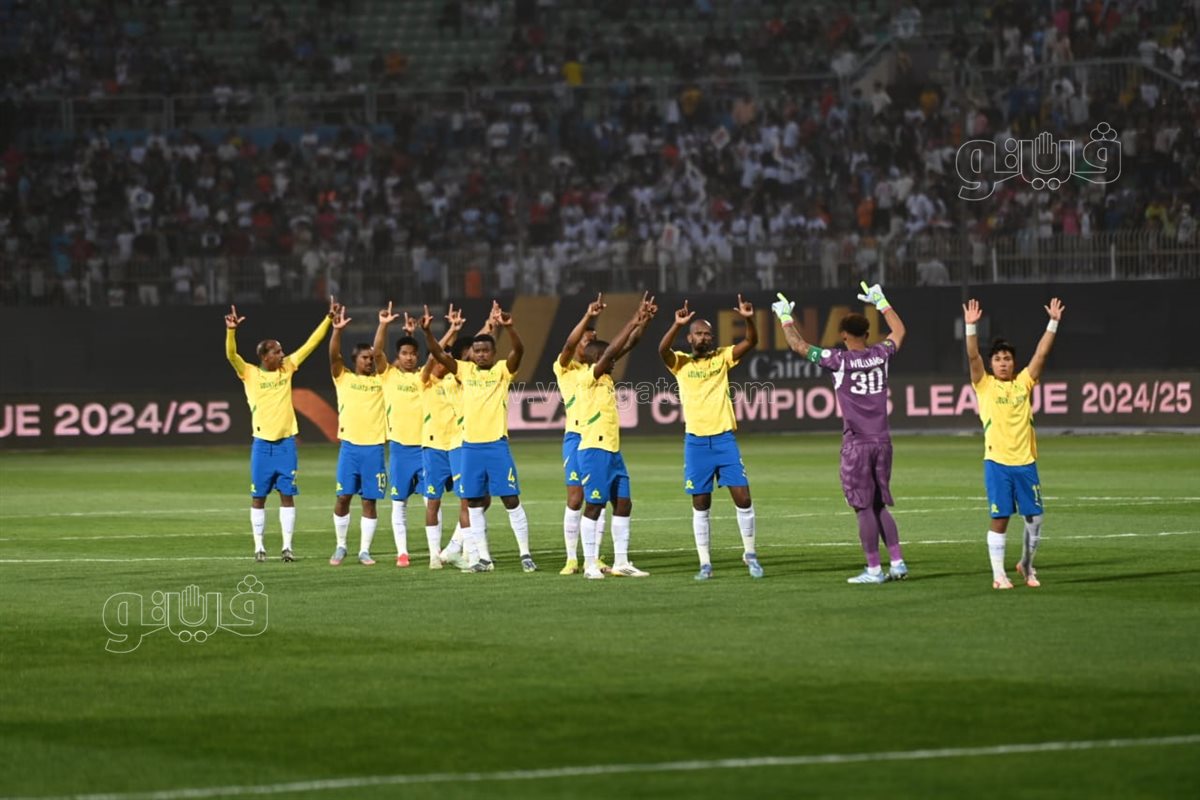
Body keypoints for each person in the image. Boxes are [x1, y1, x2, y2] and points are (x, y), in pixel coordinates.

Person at [773, 284, 910, 584]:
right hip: (883, 441)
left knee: (863, 507)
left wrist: (785, 317)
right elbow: (899, 331)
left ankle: (874, 570)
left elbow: (798, 346)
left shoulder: (839, 361)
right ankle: (898, 563)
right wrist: (882, 301)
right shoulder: (881, 354)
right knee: (879, 505)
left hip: (857, 443)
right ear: (867, 334)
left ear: (844, 335)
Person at [422, 301, 535, 573]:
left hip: (496, 445)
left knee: (510, 499)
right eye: (478, 351)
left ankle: (525, 553)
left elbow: (519, 350)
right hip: (470, 447)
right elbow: (437, 354)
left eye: (486, 350)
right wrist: (427, 332)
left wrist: (510, 328)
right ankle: (484, 558)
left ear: (494, 353)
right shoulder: (464, 371)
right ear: (472, 354)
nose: (481, 354)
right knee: (473, 502)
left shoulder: (502, 371)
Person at [658, 295, 763, 581]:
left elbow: (751, 341)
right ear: (690, 338)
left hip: (724, 440)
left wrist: (748, 319)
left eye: (707, 334)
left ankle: (750, 553)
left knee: (743, 498)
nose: (703, 337)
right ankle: (705, 563)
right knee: (701, 503)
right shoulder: (680, 363)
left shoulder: (722, 357)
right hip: (696, 443)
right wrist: (676, 324)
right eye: (698, 333)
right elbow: (662, 349)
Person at [963, 296, 1065, 589]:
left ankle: (1026, 565)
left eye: (1007, 359)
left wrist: (1053, 322)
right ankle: (998, 575)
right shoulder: (984, 385)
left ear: (1014, 363)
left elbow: (1041, 354)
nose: (1003, 363)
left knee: (1035, 518)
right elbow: (973, 357)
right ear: (992, 364)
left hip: (1026, 462)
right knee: (1001, 518)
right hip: (997, 463)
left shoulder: (1023, 383)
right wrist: (971, 328)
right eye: (998, 359)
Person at [224, 298, 335, 562]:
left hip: (286, 444)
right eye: (276, 351)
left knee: (287, 495)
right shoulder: (249, 373)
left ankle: (287, 547)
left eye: (281, 350)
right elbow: (231, 355)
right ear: (265, 357)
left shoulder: (287, 368)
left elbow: (310, 345)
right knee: (258, 497)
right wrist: (231, 331)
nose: (282, 354)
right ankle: (259, 547)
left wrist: (329, 319)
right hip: (262, 444)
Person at [577, 295, 658, 579]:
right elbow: (612, 351)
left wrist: (644, 322)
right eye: (607, 359)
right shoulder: (587, 377)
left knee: (623, 503)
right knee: (595, 505)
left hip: (612, 451)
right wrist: (632, 319)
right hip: (593, 450)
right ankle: (589, 564)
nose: (613, 362)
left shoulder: (605, 377)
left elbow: (629, 344)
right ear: (597, 360)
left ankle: (621, 562)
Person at [328, 305, 387, 567]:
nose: (370, 361)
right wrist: (337, 331)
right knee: (343, 497)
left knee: (369, 501)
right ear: (355, 359)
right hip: (350, 447)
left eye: (372, 358)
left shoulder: (382, 381)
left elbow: (383, 355)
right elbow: (333, 355)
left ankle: (364, 550)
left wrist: (383, 326)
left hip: (374, 447)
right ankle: (341, 545)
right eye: (365, 357)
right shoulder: (344, 378)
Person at [372, 302, 428, 568]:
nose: (409, 358)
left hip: (425, 447)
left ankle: (435, 551)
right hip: (400, 449)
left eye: (413, 354)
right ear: (398, 356)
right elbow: (377, 352)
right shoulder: (389, 375)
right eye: (404, 353)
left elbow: (439, 357)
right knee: (399, 503)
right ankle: (402, 553)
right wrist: (383, 325)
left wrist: (417, 334)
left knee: (431, 501)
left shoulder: (424, 376)